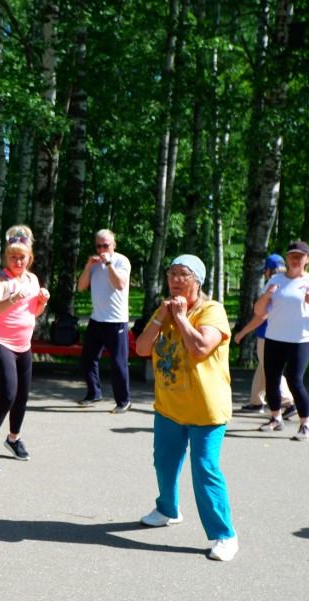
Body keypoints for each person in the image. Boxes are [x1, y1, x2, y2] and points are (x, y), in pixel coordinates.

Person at [134, 254, 238, 562]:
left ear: (198, 281)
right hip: (169, 405)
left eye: (183, 275)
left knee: (205, 468)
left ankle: (225, 535)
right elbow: (141, 348)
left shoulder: (212, 311)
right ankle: (168, 509)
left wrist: (179, 318)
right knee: (164, 463)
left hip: (206, 409)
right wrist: (160, 318)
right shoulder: (164, 309)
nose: (176, 280)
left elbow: (200, 348)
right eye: (172, 274)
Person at [0, 226, 50, 470]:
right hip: (0, 344)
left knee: (22, 397)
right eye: (13, 257)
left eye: (22, 257)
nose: (18, 261)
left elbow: (34, 314)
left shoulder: (32, 279)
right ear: (6, 257)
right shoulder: (0, 280)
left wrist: (42, 302)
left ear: (30, 258)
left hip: (23, 346)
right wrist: (13, 298)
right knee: (7, 395)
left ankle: (13, 438)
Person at [254, 241, 309, 441]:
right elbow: (259, 311)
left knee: (295, 381)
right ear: (286, 258)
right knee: (272, 380)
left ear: (307, 259)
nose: (295, 260)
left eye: (299, 256)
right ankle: (276, 418)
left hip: (301, 340)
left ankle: (305, 425)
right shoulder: (275, 280)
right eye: (292, 256)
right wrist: (268, 295)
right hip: (275, 337)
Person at [76, 229, 131, 413]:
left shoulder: (121, 261)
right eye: (98, 246)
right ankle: (94, 393)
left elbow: (120, 284)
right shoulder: (94, 263)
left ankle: (123, 401)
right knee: (87, 359)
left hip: (116, 321)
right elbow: (81, 286)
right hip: (96, 319)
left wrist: (108, 263)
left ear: (114, 244)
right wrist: (87, 266)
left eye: (105, 246)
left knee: (117, 363)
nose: (102, 250)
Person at [232, 254, 294, 416]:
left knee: (272, 370)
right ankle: (256, 402)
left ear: (268, 270)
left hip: (267, 336)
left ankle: (289, 404)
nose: (265, 274)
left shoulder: (273, 285)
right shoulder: (288, 284)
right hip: (281, 334)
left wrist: (242, 333)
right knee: (264, 368)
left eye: (265, 271)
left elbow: (262, 316)